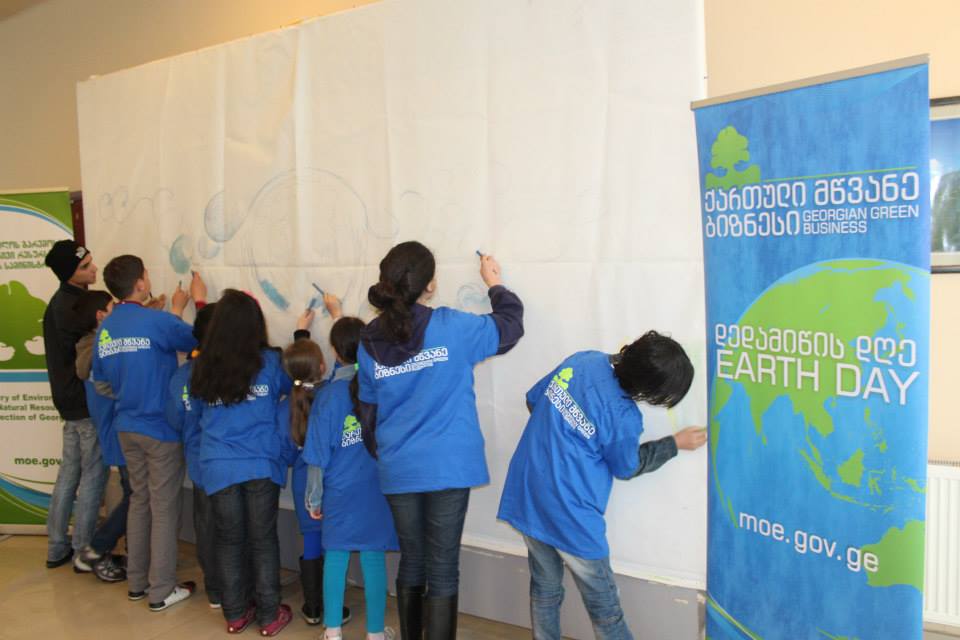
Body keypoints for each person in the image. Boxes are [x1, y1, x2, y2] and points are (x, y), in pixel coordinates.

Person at [355, 241, 524, 638]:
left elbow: (367, 413)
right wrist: (495, 284)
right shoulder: (452, 327)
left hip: (399, 468)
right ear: (430, 285)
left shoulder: (368, 341)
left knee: (412, 560)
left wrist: (390, 455)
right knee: (443, 567)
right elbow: (510, 326)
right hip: (449, 464)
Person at [497, 332, 708, 640]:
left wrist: (567, 431)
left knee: (545, 589)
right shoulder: (623, 416)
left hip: (530, 491)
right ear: (647, 389)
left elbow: (534, 399)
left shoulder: (583, 360)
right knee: (606, 611)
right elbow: (627, 466)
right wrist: (674, 444)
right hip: (571, 513)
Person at [93, 256, 204, 611]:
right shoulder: (157, 321)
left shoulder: (107, 328)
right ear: (140, 283)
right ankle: (161, 591)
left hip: (126, 427)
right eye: (146, 273)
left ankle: (137, 583)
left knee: (140, 502)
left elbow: (101, 382)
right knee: (164, 508)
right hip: (159, 428)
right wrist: (182, 307)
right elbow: (197, 340)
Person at [191, 289, 293, 636]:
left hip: (218, 464)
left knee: (229, 540)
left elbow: (197, 409)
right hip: (260, 463)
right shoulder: (271, 362)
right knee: (262, 540)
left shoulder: (203, 364)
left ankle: (235, 614)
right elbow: (291, 388)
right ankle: (269, 615)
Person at [300, 316, 399, 640]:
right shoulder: (380, 389)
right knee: (373, 558)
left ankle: (332, 631)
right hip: (375, 489)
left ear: (334, 351)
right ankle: (375, 633)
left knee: (336, 556)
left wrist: (314, 498)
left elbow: (317, 455)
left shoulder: (328, 396)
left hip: (339, 491)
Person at [275, 297, 353, 628]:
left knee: (311, 542)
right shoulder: (329, 394)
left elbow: (285, 451)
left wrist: (300, 333)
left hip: (302, 485)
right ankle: (333, 603)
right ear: (322, 366)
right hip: (330, 482)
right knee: (332, 544)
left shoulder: (285, 406)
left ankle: (312, 606)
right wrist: (338, 316)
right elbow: (345, 367)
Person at [42, 240, 108, 570]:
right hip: (82, 403)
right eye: (85, 266)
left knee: (69, 472)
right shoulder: (72, 309)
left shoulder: (61, 302)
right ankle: (84, 548)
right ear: (69, 274)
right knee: (93, 473)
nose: (94, 269)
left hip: (67, 400)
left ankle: (57, 545)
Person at [164, 302, 220, 607]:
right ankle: (233, 589)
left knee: (206, 526)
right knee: (230, 528)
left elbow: (175, 419)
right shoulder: (226, 373)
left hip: (198, 463)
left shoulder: (181, 376)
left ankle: (215, 589)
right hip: (222, 462)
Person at [73, 289, 128, 582]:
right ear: (100, 316)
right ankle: (95, 549)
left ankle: (104, 549)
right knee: (136, 496)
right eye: (112, 308)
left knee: (135, 494)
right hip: (121, 434)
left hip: (114, 433)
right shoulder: (102, 354)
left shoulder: (88, 350)